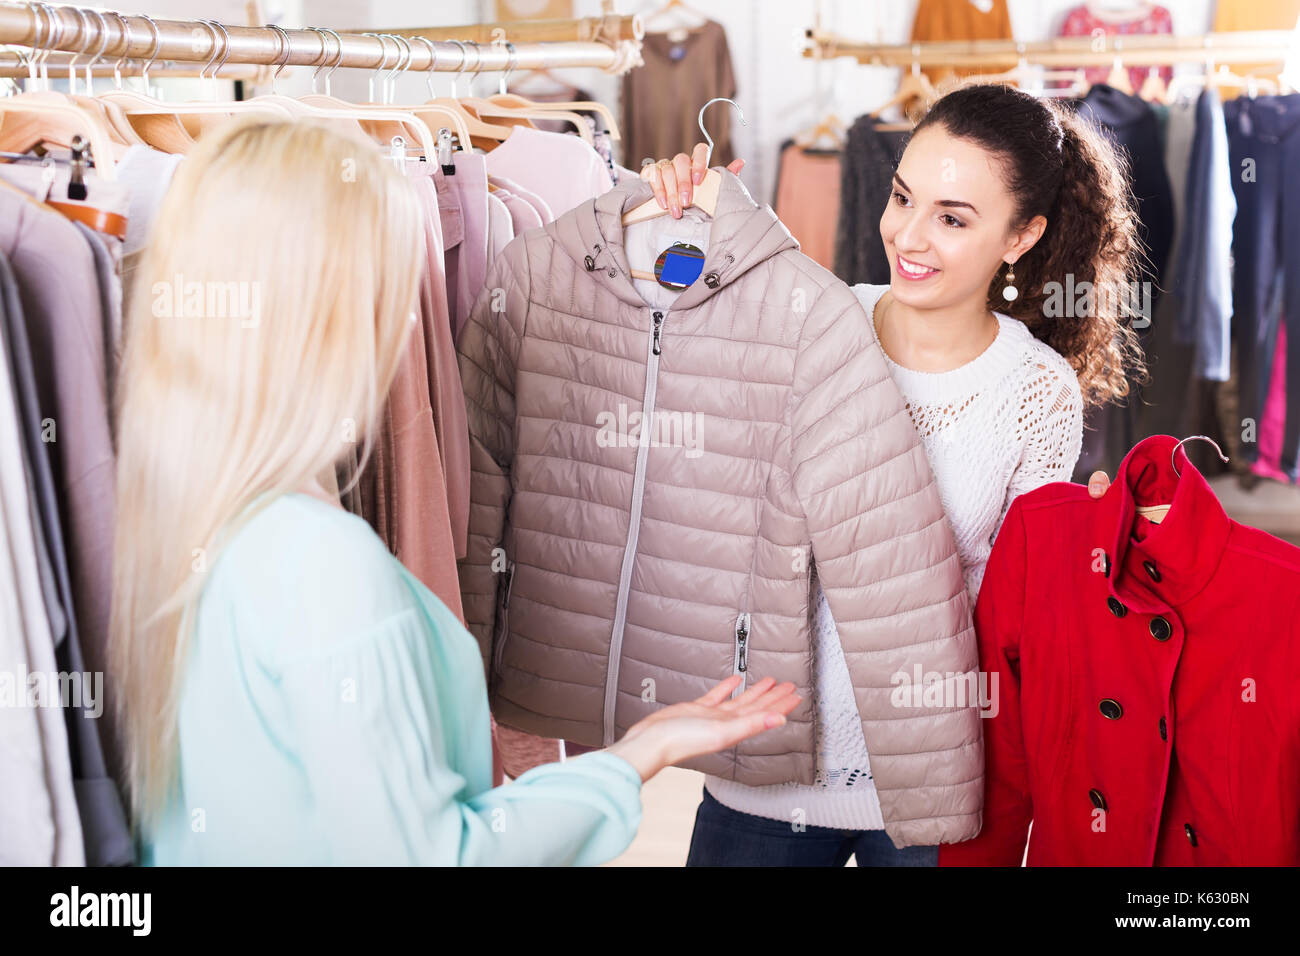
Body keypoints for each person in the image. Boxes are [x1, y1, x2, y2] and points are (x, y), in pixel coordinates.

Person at [109, 118, 800, 866]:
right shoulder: (319, 562)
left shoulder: (179, 519)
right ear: (330, 311)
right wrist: (639, 755)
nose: (409, 313)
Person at [639, 83, 1145, 866]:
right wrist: (669, 237)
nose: (907, 235)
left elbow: (1017, 609)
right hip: (767, 760)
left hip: (928, 786)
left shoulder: (1038, 391)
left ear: (1022, 235)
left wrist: (1092, 551)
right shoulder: (811, 323)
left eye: (952, 217)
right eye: (903, 197)